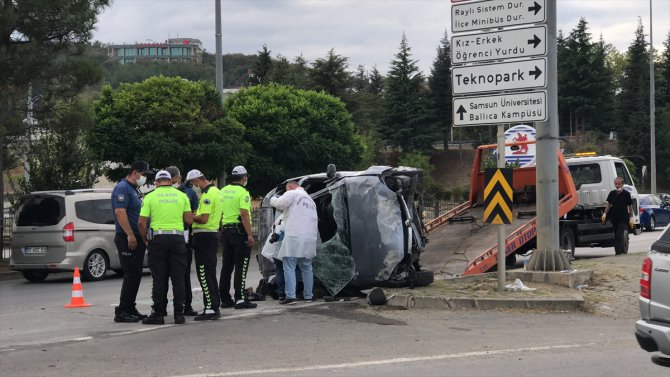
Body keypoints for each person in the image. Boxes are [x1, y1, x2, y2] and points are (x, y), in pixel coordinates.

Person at [138, 170, 193, 325]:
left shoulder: (149, 197)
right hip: (177, 238)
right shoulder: (182, 196)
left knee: (159, 278)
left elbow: (141, 223)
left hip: (158, 239)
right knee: (178, 277)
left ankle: (159, 314)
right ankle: (178, 314)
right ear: (170, 181)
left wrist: (145, 239)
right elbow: (188, 219)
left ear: (156, 182)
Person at [112, 160, 153, 323]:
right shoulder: (122, 188)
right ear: (135, 172)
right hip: (127, 237)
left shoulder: (134, 189)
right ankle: (122, 310)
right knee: (131, 274)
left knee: (135, 274)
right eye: (143, 174)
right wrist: (130, 234)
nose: (144, 178)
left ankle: (129, 307)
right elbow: (120, 212)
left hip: (136, 236)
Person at [270, 181, 318, 305]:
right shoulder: (311, 201)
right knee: (307, 267)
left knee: (289, 266)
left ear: (290, 187)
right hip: (309, 238)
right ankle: (309, 296)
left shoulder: (292, 193)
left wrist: (273, 198)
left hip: (294, 236)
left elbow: (279, 204)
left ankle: (291, 296)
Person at [186, 169, 224, 321]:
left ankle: (210, 308)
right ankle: (214, 305)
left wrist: (190, 217)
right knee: (210, 273)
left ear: (196, 180)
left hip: (204, 236)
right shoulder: (217, 191)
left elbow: (204, 219)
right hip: (212, 235)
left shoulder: (207, 195)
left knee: (204, 273)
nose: (193, 187)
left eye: (192, 184)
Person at [219, 166, 257, 309]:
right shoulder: (243, 192)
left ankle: (224, 298)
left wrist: (221, 228)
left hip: (226, 231)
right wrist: (249, 234)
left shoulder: (222, 191)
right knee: (241, 266)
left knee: (227, 266)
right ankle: (240, 298)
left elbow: (219, 213)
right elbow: (244, 214)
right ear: (243, 178)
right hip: (239, 232)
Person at [166, 166, 199, 316]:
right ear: (178, 178)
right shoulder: (188, 194)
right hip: (182, 236)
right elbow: (192, 217)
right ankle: (185, 306)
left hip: (161, 237)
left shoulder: (156, 194)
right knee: (183, 274)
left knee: (161, 274)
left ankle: (159, 308)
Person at [602, 177, 634, 255]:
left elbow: (630, 206)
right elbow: (609, 205)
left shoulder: (626, 194)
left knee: (620, 234)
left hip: (623, 217)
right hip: (614, 217)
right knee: (616, 235)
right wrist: (605, 214)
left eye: (619, 184)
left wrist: (631, 217)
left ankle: (618, 252)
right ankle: (620, 250)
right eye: (616, 184)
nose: (617, 185)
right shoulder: (612, 193)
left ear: (622, 184)